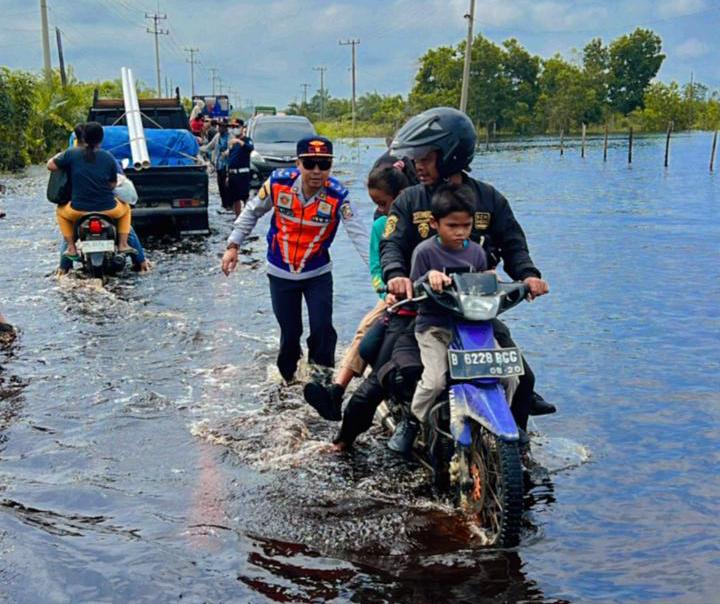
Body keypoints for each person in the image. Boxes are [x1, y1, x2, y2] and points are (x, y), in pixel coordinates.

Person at [380, 107, 552, 448]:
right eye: (415, 158)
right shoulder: (409, 200)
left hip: (474, 311)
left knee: (525, 377)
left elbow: (514, 246)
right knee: (394, 373)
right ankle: (392, 428)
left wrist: (529, 276)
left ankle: (516, 448)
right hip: (420, 308)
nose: (418, 166)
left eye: (426, 158)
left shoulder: (491, 199)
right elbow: (392, 245)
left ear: (451, 155)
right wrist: (396, 276)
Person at [221, 136, 369, 384]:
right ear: (298, 163)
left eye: (324, 165)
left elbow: (360, 235)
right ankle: (287, 382)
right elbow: (252, 211)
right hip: (280, 273)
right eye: (310, 163)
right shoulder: (278, 184)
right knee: (290, 335)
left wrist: (381, 273)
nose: (316, 171)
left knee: (322, 329)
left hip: (317, 273)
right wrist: (233, 245)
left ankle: (321, 382)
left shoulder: (338, 196)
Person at [391, 183, 516, 453]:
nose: (461, 232)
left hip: (472, 328)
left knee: (510, 377)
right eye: (452, 226)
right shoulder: (425, 252)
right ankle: (413, 423)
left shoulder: (476, 252)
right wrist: (429, 278)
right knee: (434, 381)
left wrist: (492, 280)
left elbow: (483, 287)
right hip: (434, 328)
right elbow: (414, 286)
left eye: (467, 225)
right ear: (435, 223)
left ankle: (502, 422)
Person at [303, 163, 410, 420]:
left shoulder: (422, 219)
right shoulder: (380, 226)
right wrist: (386, 293)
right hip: (398, 298)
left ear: (402, 197)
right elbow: (376, 266)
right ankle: (337, 390)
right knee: (366, 330)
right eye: (377, 204)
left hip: (431, 294)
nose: (380, 210)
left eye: (384, 203)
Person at [55, 123, 149, 274]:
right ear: (101, 139)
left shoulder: (70, 155)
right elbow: (113, 183)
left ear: (81, 138)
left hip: (78, 210)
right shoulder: (108, 157)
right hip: (108, 209)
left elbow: (51, 166)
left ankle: (65, 263)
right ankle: (135, 256)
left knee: (62, 215)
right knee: (125, 211)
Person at [201, 120, 232, 209]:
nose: (220, 128)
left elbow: (232, 148)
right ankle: (224, 205)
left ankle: (229, 205)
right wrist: (199, 148)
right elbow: (209, 147)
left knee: (227, 187)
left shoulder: (230, 137)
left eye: (222, 127)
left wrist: (226, 153)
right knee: (220, 186)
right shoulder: (217, 136)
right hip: (218, 165)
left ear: (226, 128)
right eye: (219, 126)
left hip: (227, 166)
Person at [226, 119, 254, 217]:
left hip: (243, 174)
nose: (235, 129)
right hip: (232, 174)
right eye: (233, 127)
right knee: (235, 198)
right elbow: (230, 159)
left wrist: (239, 141)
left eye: (237, 127)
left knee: (244, 197)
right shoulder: (232, 143)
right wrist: (227, 175)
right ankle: (237, 217)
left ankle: (247, 218)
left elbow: (250, 148)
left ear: (242, 128)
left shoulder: (247, 140)